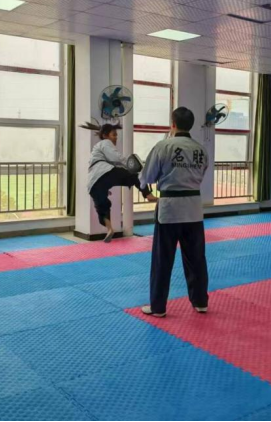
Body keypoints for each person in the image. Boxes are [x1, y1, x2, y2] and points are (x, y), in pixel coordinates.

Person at [139, 108, 210, 318]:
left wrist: (146, 185)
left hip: (169, 209)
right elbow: (202, 173)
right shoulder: (201, 150)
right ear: (191, 124)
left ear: (172, 124)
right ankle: (200, 302)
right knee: (196, 258)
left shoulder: (164, 146)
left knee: (162, 260)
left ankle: (158, 307)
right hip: (194, 210)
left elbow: (147, 177)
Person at [88, 124, 157, 243]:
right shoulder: (105, 143)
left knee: (102, 205)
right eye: (114, 135)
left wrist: (105, 186)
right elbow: (117, 158)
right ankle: (148, 194)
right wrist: (131, 165)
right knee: (134, 175)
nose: (116, 138)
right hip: (103, 173)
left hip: (93, 184)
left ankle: (109, 229)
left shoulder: (97, 149)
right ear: (105, 135)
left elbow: (111, 164)